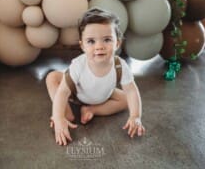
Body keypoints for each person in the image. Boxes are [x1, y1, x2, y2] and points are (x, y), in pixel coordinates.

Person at [45, 8, 145, 146]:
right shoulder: (79, 64)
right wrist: (58, 117)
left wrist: (135, 116)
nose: (99, 46)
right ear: (82, 46)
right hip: (78, 93)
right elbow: (63, 92)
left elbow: (132, 91)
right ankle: (66, 113)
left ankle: (92, 109)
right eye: (91, 41)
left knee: (126, 99)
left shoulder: (120, 65)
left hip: (104, 95)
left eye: (107, 40)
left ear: (117, 43)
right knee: (52, 77)